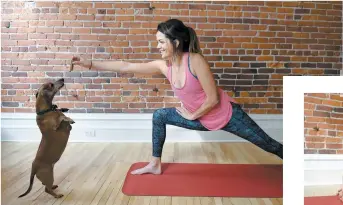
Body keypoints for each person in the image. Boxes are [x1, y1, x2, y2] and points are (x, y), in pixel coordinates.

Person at [71, 18, 283, 175]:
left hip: (226, 115)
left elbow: (213, 100)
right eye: (158, 42)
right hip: (199, 117)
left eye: (162, 42)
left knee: (270, 145)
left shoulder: (196, 60)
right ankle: (155, 164)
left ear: (176, 42)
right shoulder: (165, 66)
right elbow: (126, 66)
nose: (158, 46)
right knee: (160, 115)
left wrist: (192, 116)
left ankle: (298, 163)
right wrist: (88, 63)